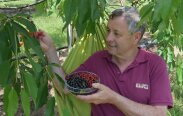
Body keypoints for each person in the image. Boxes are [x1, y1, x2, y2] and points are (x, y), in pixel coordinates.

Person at [38, 6, 173, 116]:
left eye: (116, 33)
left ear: (136, 37)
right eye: (108, 30)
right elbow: (65, 87)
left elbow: (159, 113)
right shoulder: (98, 59)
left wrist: (113, 98)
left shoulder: (154, 64)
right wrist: (50, 50)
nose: (108, 38)